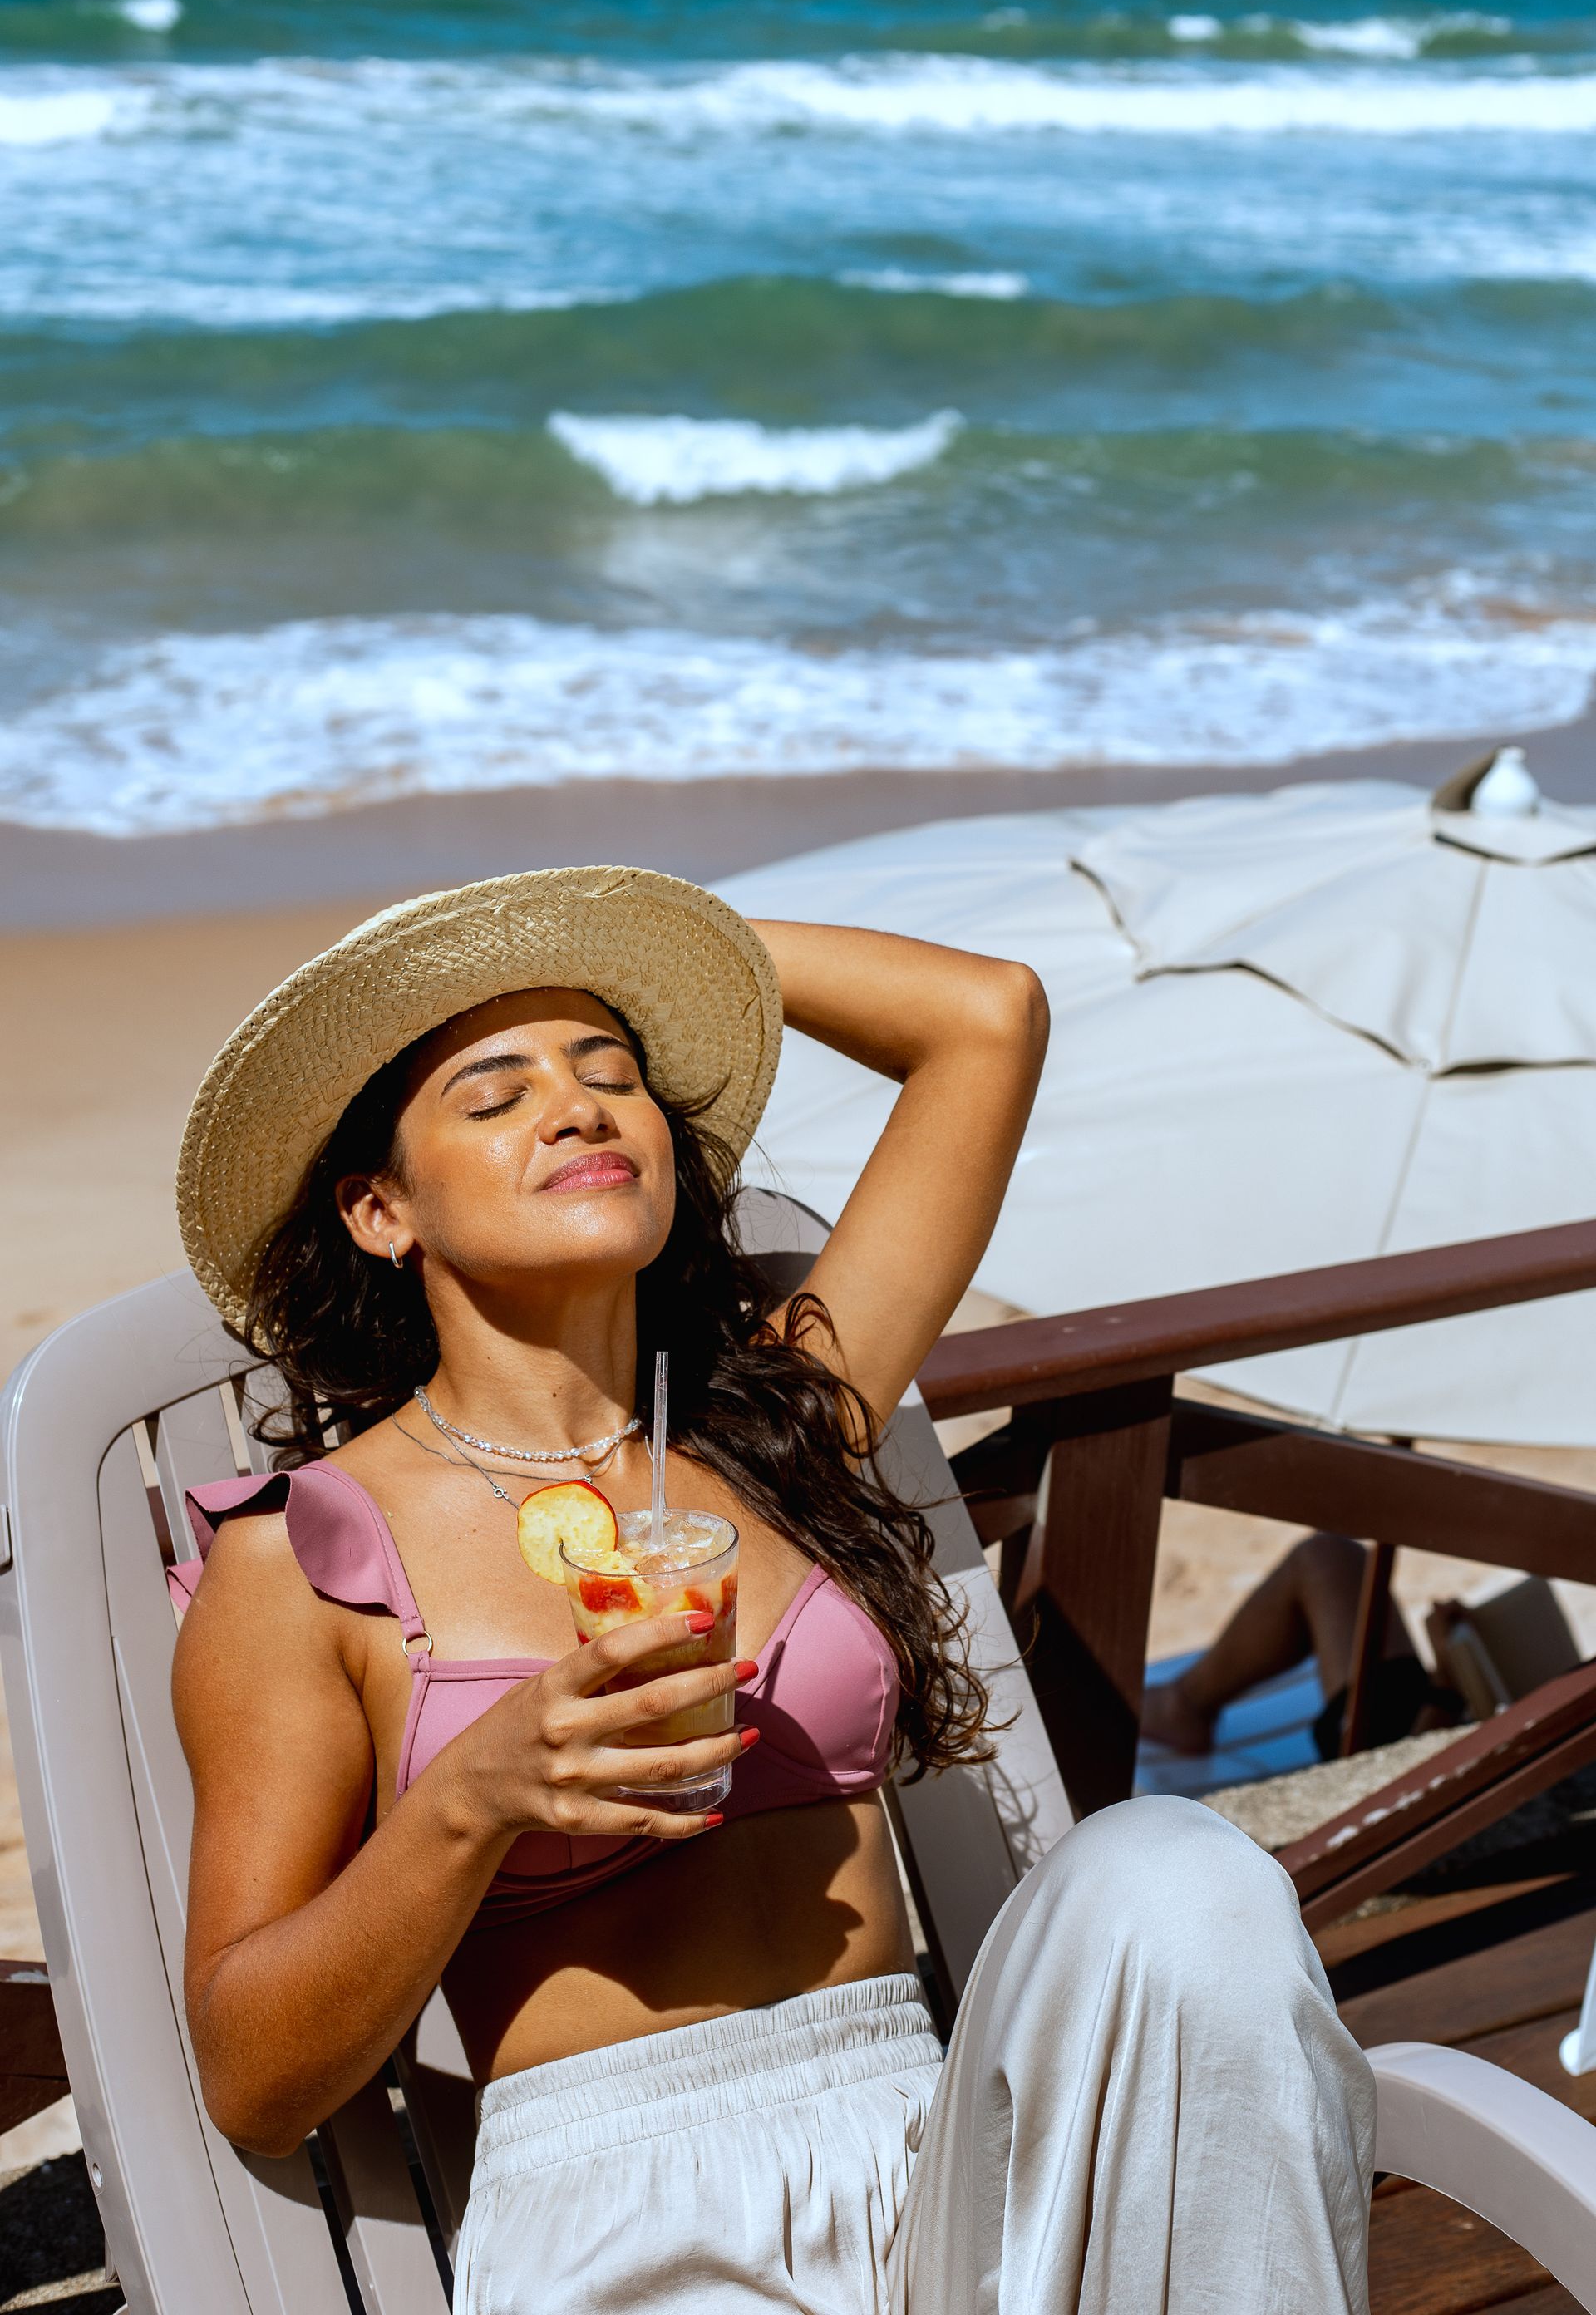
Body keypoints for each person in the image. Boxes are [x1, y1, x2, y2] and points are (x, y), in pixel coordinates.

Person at [170, 865, 1375, 2315]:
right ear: (382, 1210)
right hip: (628, 2223)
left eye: (612, 1076)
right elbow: (252, 2072)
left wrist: (644, 932)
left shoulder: (781, 1426)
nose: (578, 1107)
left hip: (939, 2151)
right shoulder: (306, 1555)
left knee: (1179, 1878)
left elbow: (985, 1021)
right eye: (497, 1098)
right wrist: (473, 1800)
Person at [1141, 1533, 1464, 1764]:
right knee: (1331, 1557)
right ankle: (1185, 1703)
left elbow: (1406, 1779)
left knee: (1322, 1561)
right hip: (1464, 1711)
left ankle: (1183, 1704)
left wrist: (1449, 1683)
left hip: (1407, 1750)